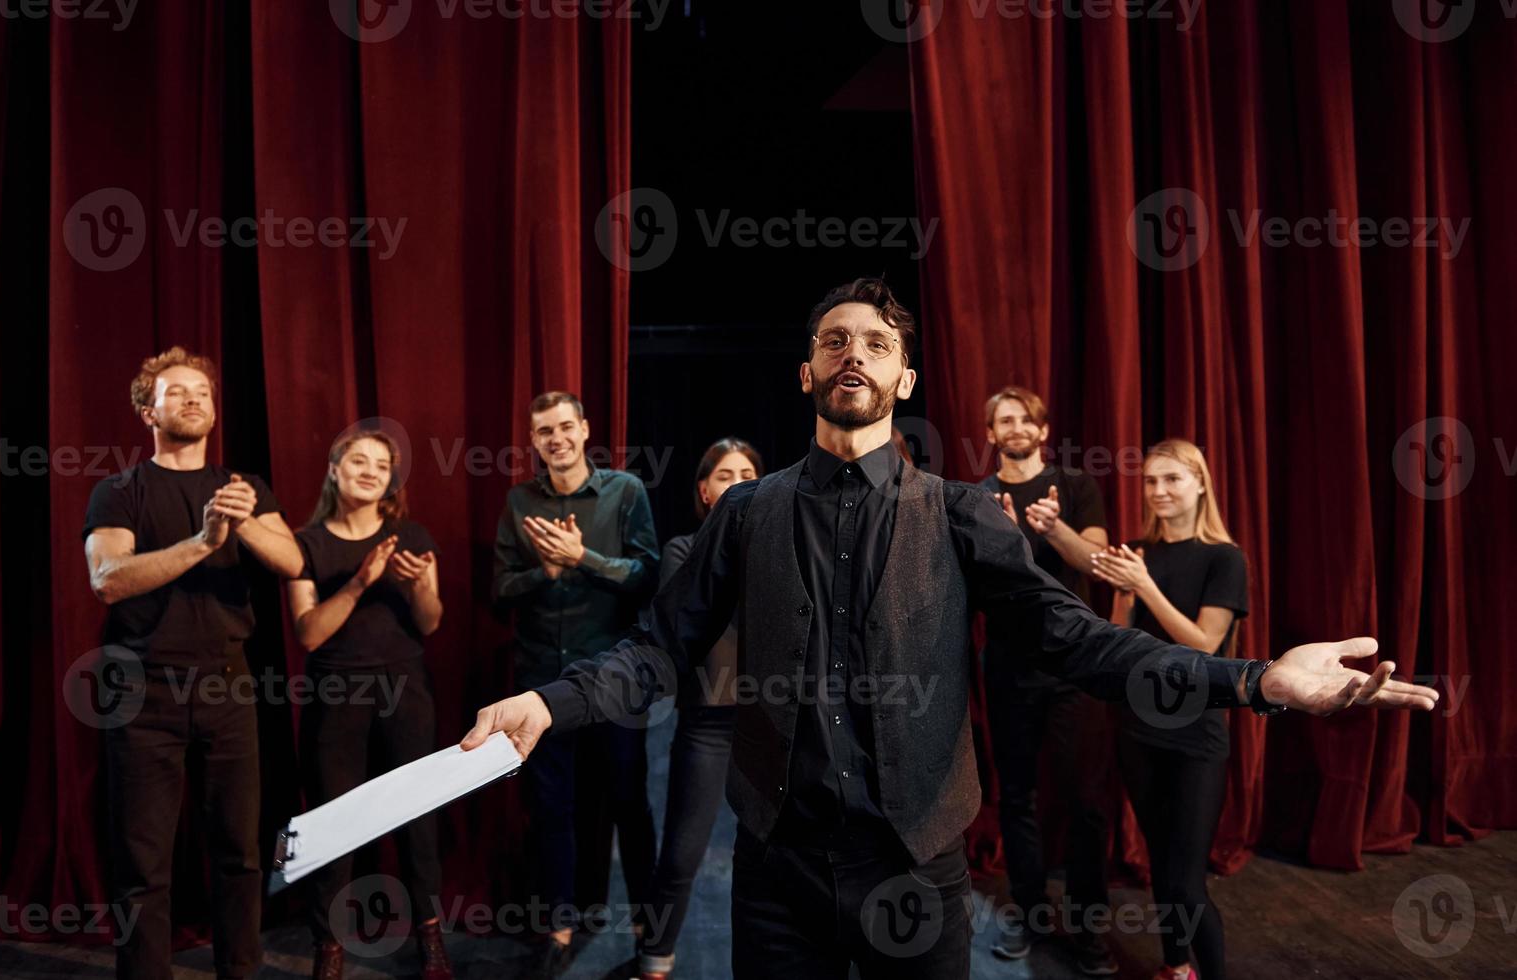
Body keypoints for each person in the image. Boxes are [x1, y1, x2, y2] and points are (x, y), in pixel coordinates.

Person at [461, 278, 1439, 980]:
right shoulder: (746, 514)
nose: (852, 354)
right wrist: (547, 702)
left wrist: (1258, 676)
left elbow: (1078, 640)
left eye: (874, 342)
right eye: (834, 341)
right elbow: (657, 651)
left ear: (908, 378)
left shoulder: (963, 513)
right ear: (805, 372)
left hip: (915, 866)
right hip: (777, 867)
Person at [83, 347, 304, 980]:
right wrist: (203, 543)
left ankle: (241, 970)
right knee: (143, 862)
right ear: (147, 409)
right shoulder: (118, 491)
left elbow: (292, 563)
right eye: (177, 392)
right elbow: (108, 578)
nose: (193, 400)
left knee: (240, 852)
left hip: (228, 689)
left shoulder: (243, 488)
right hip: (143, 692)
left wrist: (243, 524)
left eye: (202, 393)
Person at [490, 391, 660, 977]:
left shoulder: (625, 493)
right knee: (551, 809)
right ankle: (558, 929)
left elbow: (648, 577)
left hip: (613, 676)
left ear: (585, 430)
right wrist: (549, 569)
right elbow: (499, 593)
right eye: (544, 431)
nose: (556, 438)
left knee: (628, 804)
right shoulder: (518, 501)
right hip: (539, 682)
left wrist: (583, 557)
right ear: (533, 441)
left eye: (566, 426)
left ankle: (648, 927)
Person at [285, 428, 451, 980]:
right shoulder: (306, 543)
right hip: (336, 696)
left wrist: (423, 585)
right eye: (359, 460)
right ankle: (328, 949)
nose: (371, 470)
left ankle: (430, 941)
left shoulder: (412, 535)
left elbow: (430, 622)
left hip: (405, 690)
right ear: (334, 469)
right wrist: (361, 581)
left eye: (382, 465)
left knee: (417, 820)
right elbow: (308, 634)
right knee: (333, 822)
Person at [1090, 439, 1248, 980]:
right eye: (1151, 482)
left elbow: (1203, 645)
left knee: (1186, 879)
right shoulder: (1137, 550)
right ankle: (1177, 967)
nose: (1158, 491)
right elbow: (1115, 641)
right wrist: (1125, 590)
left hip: (1195, 737)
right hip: (1138, 728)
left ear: (1200, 485)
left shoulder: (1224, 559)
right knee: (1161, 864)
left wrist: (1145, 587)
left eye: (1172, 480)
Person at [979, 386, 1118, 974]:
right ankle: (1031, 918)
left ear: (1042, 429)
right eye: (1002, 420)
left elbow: (1096, 561)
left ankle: (1088, 932)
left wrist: (1054, 528)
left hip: (1074, 669)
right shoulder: (979, 497)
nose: (1014, 428)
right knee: (1018, 800)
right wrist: (1009, 538)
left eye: (1024, 419)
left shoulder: (1077, 487)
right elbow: (977, 583)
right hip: (1010, 669)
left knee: (1086, 802)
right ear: (989, 435)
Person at [635, 437, 763, 980]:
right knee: (682, 852)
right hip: (708, 723)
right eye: (724, 474)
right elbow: (684, 625)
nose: (736, 480)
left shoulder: (779, 550)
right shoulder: (683, 550)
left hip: (771, 725)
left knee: (774, 858)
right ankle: (655, 958)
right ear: (705, 492)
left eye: (748, 472)